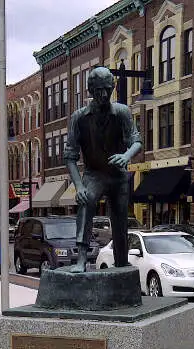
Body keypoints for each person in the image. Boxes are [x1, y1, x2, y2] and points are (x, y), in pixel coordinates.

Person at [63, 66, 142, 272]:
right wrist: (79, 186)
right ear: (91, 91)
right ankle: (81, 259)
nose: (104, 94)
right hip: (94, 174)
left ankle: (122, 261)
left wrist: (126, 156)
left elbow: (136, 140)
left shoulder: (122, 112)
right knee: (86, 202)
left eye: (108, 89)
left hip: (118, 175)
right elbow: (70, 156)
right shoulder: (79, 118)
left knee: (120, 219)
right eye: (99, 90)